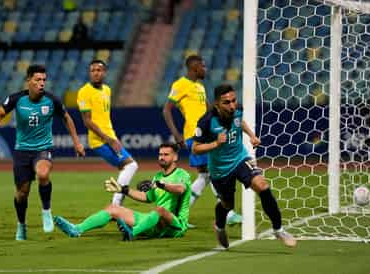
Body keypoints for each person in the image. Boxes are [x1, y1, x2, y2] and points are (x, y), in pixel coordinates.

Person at [192, 84, 296, 249]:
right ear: (217, 104)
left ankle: (278, 229)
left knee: (261, 185)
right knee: (227, 205)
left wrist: (252, 136)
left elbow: (240, 122)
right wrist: (215, 143)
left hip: (240, 159)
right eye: (227, 102)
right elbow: (195, 149)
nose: (232, 105)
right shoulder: (206, 121)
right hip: (220, 169)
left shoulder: (237, 110)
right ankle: (219, 227)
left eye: (234, 100)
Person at [0, 64, 85, 241]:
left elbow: (67, 118)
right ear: (28, 81)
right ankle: (21, 226)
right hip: (22, 151)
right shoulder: (17, 99)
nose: (41, 83)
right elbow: (0, 112)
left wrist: (77, 143)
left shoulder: (51, 100)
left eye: (44, 80)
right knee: (22, 193)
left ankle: (46, 211)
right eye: (37, 80)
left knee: (43, 174)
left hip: (43, 148)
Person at [53, 143, 191, 240]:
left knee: (160, 210)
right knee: (113, 208)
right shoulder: (158, 176)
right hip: (154, 223)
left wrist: (162, 185)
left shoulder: (182, 174)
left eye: (166, 155)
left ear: (175, 157)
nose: (161, 157)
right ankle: (77, 229)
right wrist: (123, 190)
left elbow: (180, 189)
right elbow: (146, 197)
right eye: (160, 154)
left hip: (175, 226)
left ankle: (132, 232)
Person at [163, 54, 242, 226]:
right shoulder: (180, 85)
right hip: (194, 134)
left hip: (206, 133)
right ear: (195, 68)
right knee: (213, 172)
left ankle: (177, 215)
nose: (205, 69)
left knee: (205, 175)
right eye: (203, 67)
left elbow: (209, 109)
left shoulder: (199, 86)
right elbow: (166, 110)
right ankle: (228, 213)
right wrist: (176, 134)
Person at [77, 60, 138, 206]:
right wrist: (108, 139)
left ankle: (116, 206)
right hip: (100, 140)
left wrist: (112, 137)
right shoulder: (84, 92)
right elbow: (87, 121)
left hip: (110, 137)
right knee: (131, 166)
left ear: (104, 73)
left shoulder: (107, 90)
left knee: (125, 168)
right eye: (92, 70)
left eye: (99, 70)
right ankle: (115, 206)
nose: (95, 73)